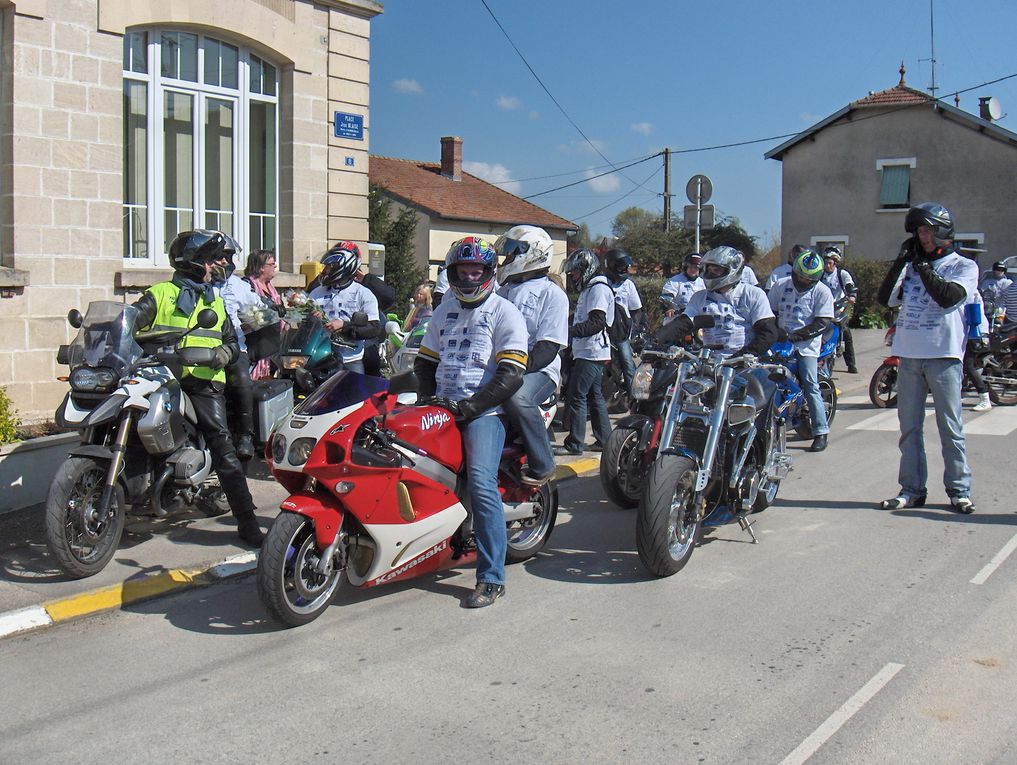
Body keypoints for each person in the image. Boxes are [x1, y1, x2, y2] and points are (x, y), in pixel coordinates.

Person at [414, 236, 529, 608]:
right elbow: (425, 362)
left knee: (481, 483)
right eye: (462, 270)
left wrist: (473, 407)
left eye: (475, 270)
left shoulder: (504, 311)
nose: (468, 276)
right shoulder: (444, 309)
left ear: (488, 273)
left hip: (485, 413)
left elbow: (511, 374)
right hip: (443, 407)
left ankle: (492, 577)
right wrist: (424, 398)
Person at [132, 229, 264, 546]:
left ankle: (246, 520)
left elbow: (232, 342)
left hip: (202, 382)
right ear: (194, 263)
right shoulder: (160, 294)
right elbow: (130, 321)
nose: (214, 265)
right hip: (160, 376)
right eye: (209, 260)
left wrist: (223, 353)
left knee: (222, 445)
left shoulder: (214, 301)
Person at [876, 202, 978, 513]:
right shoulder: (911, 266)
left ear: (944, 231)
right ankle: (911, 489)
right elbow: (884, 299)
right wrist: (901, 261)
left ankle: (959, 490)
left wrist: (921, 266)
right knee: (909, 427)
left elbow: (948, 298)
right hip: (909, 355)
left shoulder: (964, 266)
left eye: (929, 230)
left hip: (943, 355)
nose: (923, 237)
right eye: (920, 231)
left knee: (950, 427)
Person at [495, 225, 569, 486]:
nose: (507, 260)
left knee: (515, 396)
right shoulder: (501, 291)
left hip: (538, 371)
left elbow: (547, 349)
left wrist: (514, 369)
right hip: (501, 366)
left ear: (533, 253)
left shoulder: (553, 294)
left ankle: (544, 462)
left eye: (513, 253)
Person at [651, 245, 779, 357]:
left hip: (744, 362)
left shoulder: (753, 294)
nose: (711, 274)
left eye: (716, 270)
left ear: (732, 270)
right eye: (709, 269)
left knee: (759, 385)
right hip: (708, 360)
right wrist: (654, 340)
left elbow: (768, 333)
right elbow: (682, 324)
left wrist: (744, 355)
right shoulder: (699, 297)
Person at [769, 249, 835, 452]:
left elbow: (823, 322)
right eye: (800, 276)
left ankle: (821, 431)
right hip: (780, 342)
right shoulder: (781, 285)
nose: (803, 280)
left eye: (808, 278)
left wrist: (797, 336)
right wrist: (775, 332)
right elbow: (769, 312)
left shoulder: (822, 291)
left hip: (807, 345)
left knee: (810, 383)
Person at [554, 248, 615, 456]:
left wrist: (567, 332)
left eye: (576, 273)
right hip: (589, 351)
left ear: (586, 269)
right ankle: (605, 439)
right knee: (594, 396)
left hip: (592, 351)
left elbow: (597, 323)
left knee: (577, 394)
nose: (573, 277)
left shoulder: (598, 289)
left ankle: (574, 443)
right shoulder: (590, 288)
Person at [213, 237, 261, 460]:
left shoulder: (239, 286)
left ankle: (245, 436)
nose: (222, 262)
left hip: (234, 348)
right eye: (217, 257)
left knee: (242, 378)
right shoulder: (198, 284)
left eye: (226, 257)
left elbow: (259, 313)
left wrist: (257, 317)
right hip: (201, 348)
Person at [308, 241, 380, 374]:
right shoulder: (316, 293)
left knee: (355, 393)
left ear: (343, 267)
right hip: (319, 356)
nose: (324, 271)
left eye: (329, 267)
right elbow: (303, 324)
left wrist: (344, 326)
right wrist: (309, 318)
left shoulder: (363, 293)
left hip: (350, 359)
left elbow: (373, 328)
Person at [603, 247, 643, 391]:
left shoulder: (628, 285)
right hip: (602, 331)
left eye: (625, 266)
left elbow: (636, 310)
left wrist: (635, 330)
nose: (624, 269)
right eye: (621, 266)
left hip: (621, 333)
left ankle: (634, 393)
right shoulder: (602, 283)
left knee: (627, 360)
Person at [243, 249, 283, 380]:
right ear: (261, 267)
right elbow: (245, 314)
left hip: (272, 344)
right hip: (255, 343)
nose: (275, 266)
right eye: (272, 264)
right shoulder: (247, 286)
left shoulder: (271, 287)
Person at [820, 246, 859, 373]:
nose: (827, 265)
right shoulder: (820, 274)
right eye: (825, 262)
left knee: (846, 333)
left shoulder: (841, 274)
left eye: (830, 263)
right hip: (824, 308)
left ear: (835, 263)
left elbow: (850, 286)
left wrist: (852, 296)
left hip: (840, 308)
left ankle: (851, 364)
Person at [964, 289, 992, 412]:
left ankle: (984, 398)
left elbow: (972, 315)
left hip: (976, 333)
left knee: (968, 365)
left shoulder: (969, 292)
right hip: (972, 333)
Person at [660, 253, 705, 324]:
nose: (693, 269)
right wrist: (669, 308)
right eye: (690, 267)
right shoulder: (674, 281)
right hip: (676, 320)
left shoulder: (704, 283)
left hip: (697, 321)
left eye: (696, 267)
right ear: (685, 267)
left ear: (700, 269)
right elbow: (666, 297)